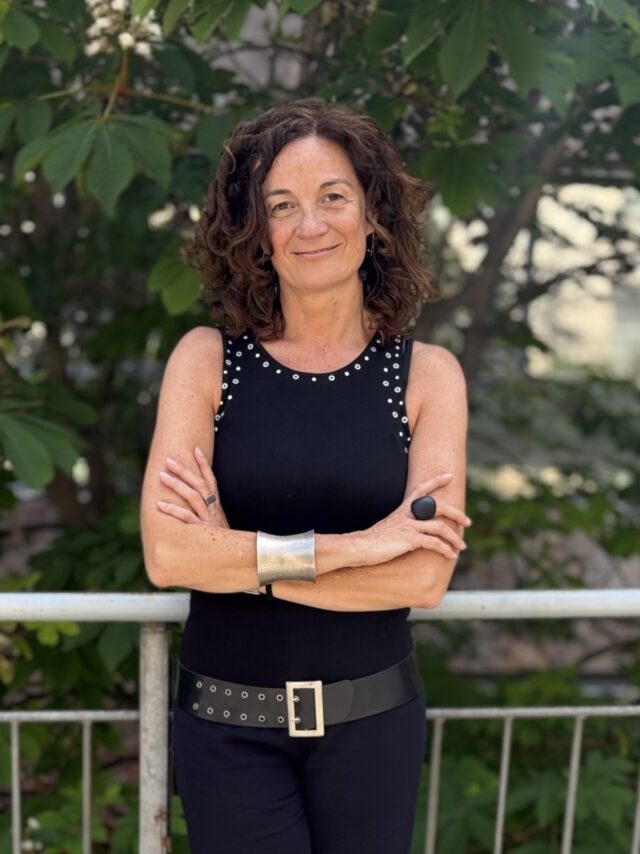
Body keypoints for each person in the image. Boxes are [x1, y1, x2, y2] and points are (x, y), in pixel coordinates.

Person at [140, 97, 470, 854]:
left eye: (333, 197)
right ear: (256, 230)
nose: (310, 224)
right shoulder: (206, 362)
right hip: (227, 730)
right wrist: (358, 548)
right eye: (282, 205)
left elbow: (422, 578)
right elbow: (169, 554)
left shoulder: (427, 376)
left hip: (374, 728)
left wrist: (241, 561)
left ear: (373, 213)